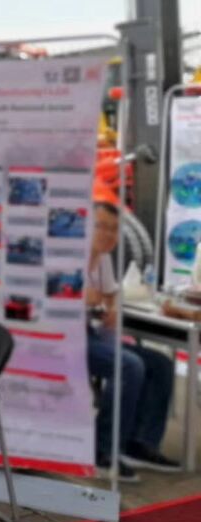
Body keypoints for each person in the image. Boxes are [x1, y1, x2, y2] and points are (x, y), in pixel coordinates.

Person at [86, 198, 179, 481]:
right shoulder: (68, 258)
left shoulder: (102, 259)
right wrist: (89, 299)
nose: (108, 234)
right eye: (101, 226)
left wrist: (111, 306)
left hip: (93, 334)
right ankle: (102, 448)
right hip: (65, 338)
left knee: (160, 364)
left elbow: (110, 293)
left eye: (114, 229)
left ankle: (140, 443)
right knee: (129, 366)